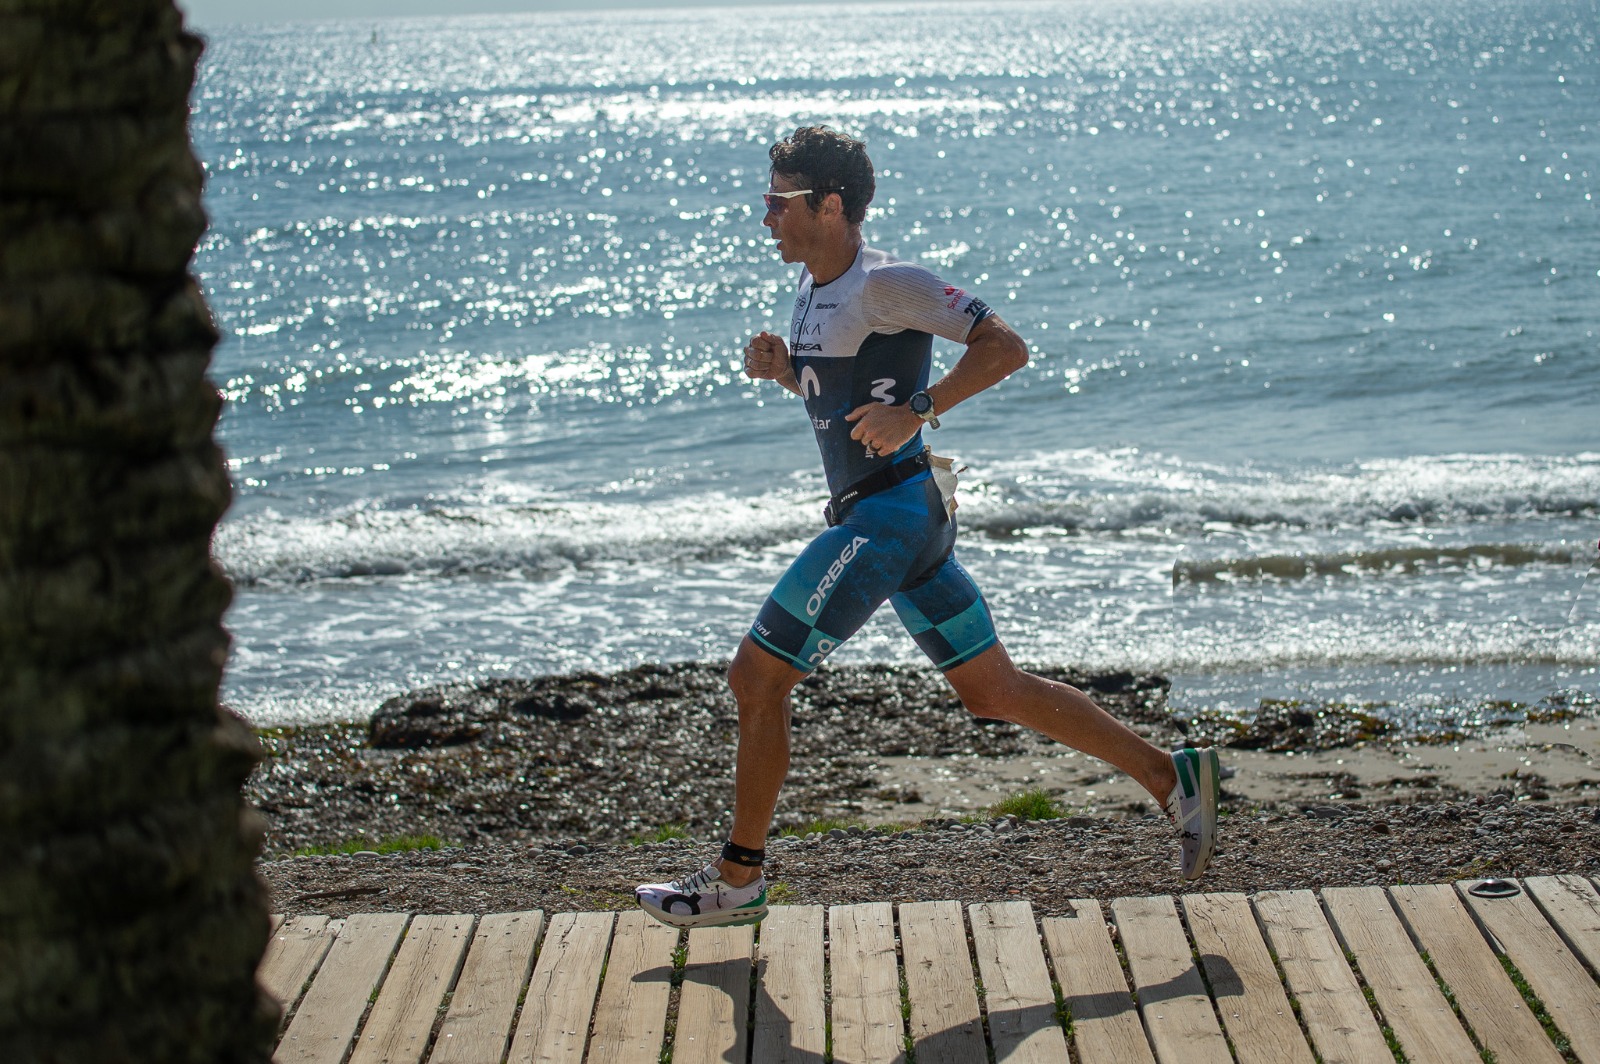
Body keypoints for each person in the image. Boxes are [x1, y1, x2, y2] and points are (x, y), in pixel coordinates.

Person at [636, 126, 1220, 929]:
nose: (764, 216)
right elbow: (844, 402)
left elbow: (1004, 345)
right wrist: (783, 369)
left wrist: (920, 409)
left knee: (757, 680)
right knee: (993, 692)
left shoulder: (890, 283)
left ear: (829, 206)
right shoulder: (811, 288)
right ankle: (1170, 775)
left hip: (890, 521)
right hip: (900, 522)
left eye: (777, 201)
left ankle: (739, 879)